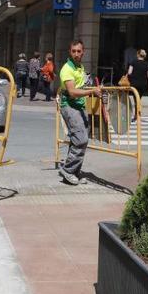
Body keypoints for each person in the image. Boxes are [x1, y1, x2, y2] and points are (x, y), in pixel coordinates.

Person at [58, 40, 103, 185]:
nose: (76, 54)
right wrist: (92, 91)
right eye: (73, 51)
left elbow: (81, 86)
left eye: (79, 51)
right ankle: (68, 171)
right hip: (69, 106)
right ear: (69, 52)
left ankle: (75, 171)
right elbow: (72, 92)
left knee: (79, 140)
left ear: (83, 52)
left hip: (80, 106)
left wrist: (94, 89)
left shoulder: (80, 67)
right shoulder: (67, 69)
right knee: (81, 139)